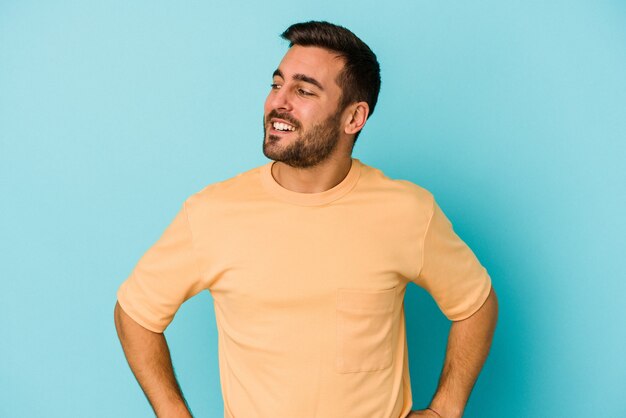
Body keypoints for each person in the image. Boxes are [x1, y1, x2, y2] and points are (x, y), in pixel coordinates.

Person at [114, 21, 498, 418]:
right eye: (276, 84)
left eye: (303, 90)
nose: (278, 102)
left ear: (354, 118)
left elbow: (475, 304)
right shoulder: (213, 212)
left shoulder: (407, 211)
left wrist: (445, 410)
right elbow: (135, 313)